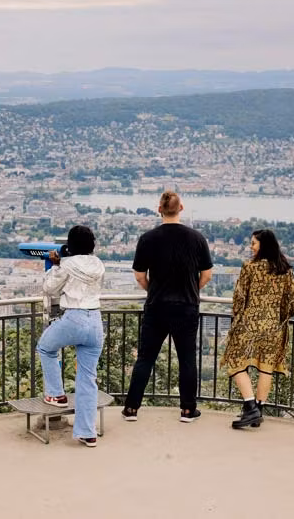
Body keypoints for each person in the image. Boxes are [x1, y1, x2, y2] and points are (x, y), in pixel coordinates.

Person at [122, 191, 213, 423]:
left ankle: (131, 408)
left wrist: (153, 290)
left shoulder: (148, 238)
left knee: (145, 358)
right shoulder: (197, 238)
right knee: (187, 359)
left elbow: (140, 276)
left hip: (157, 306)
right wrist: (192, 289)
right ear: (180, 208)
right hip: (186, 306)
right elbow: (207, 275)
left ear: (158, 209)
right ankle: (187, 409)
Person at [222, 229, 294, 429]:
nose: (251, 247)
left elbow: (239, 297)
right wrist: (282, 316)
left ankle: (250, 406)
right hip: (273, 327)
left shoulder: (250, 267)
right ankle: (258, 411)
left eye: (253, 243)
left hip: (249, 325)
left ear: (262, 245)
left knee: (235, 361)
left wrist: (237, 318)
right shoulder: (284, 270)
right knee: (266, 368)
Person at [36, 225, 105, 447]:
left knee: (46, 347)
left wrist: (56, 265)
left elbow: (49, 288)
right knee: (87, 378)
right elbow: (82, 266)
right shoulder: (98, 265)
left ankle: (56, 394)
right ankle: (87, 432)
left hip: (74, 317)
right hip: (95, 321)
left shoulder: (67, 265)